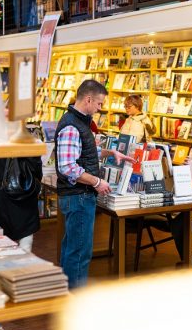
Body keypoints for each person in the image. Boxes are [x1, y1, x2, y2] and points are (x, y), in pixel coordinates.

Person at [55, 80, 134, 289]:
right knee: (79, 252)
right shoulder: (72, 126)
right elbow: (68, 166)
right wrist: (97, 181)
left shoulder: (79, 123)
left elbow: (84, 151)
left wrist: (111, 152)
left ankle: (67, 295)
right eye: (99, 103)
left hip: (78, 196)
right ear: (88, 99)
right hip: (78, 196)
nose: (100, 108)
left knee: (73, 248)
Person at [0, 156, 42, 252]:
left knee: (4, 230)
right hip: (21, 189)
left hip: (0, 188)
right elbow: (34, 162)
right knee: (26, 232)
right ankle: (22, 262)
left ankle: (9, 262)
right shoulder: (23, 140)